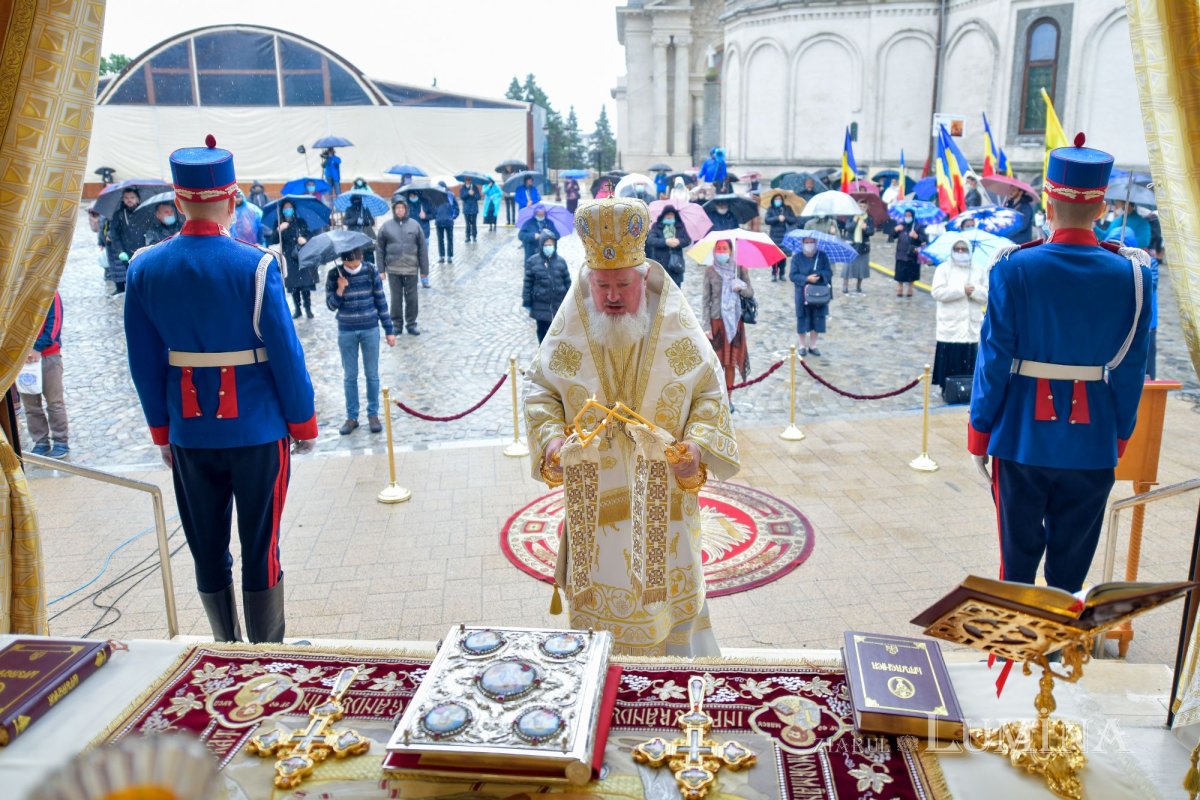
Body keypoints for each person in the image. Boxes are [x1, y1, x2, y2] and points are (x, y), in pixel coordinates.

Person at [524, 197, 740, 657]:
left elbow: (707, 392)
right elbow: (540, 388)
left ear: (643, 277)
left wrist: (697, 448)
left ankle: (678, 682)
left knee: (668, 614)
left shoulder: (675, 324)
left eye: (623, 283)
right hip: (593, 495)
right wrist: (552, 441)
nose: (613, 296)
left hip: (663, 495)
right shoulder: (573, 321)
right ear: (588, 282)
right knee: (598, 622)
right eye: (602, 286)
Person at [125, 135, 318, 643]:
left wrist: (162, 432)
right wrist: (303, 421)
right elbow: (286, 353)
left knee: (206, 546)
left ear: (178, 200)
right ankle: (267, 653)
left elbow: (143, 363)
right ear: (232, 200)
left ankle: (225, 648)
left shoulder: (144, 266)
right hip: (257, 429)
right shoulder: (255, 264)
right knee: (262, 546)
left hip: (190, 433)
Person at [969, 134, 1152, 594]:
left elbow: (993, 359)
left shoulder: (1013, 266)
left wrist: (979, 430)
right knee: (1071, 569)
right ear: (1102, 206)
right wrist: (1121, 433)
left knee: (1016, 563)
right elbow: (1131, 367)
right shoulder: (1133, 274)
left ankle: (1016, 653)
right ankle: (1058, 656)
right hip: (1092, 439)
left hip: (1021, 434)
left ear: (1048, 201)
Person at [326, 247, 396, 436]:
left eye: (355, 263)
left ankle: (373, 414)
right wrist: (340, 289)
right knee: (350, 376)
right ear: (343, 261)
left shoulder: (371, 270)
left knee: (372, 374)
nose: (352, 266)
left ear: (361, 257)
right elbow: (331, 305)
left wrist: (389, 330)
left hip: (369, 329)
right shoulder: (334, 274)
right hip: (346, 330)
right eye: (348, 263)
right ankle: (352, 417)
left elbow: (380, 301)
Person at [930, 238, 988, 389]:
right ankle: (947, 389)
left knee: (968, 364)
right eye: (958, 249)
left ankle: (966, 391)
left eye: (964, 249)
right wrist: (961, 291)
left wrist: (974, 290)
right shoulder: (943, 269)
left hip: (970, 326)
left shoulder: (978, 269)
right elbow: (937, 292)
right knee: (950, 362)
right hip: (950, 325)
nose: (961, 252)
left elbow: (988, 295)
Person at [703, 240, 754, 404]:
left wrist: (741, 287)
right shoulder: (710, 271)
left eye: (724, 248)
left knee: (730, 363)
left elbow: (750, 293)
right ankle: (716, 396)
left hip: (734, 322)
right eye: (718, 248)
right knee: (716, 363)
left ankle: (729, 399)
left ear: (731, 251)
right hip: (717, 321)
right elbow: (706, 300)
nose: (721, 251)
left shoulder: (739, 269)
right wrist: (706, 326)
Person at [20, 291, 69, 459]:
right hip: (22, 357)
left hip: (49, 355)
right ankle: (40, 441)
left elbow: (54, 323)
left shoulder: (50, 292)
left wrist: (37, 347)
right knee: (30, 404)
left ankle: (61, 441)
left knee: (54, 401)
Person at [377, 196, 429, 335]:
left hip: (411, 268)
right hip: (394, 269)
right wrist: (381, 270)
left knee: (412, 298)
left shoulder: (415, 225)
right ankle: (397, 324)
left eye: (402, 208)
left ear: (406, 209)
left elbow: (422, 249)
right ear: (394, 210)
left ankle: (411, 324)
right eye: (397, 208)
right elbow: (380, 249)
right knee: (396, 299)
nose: (400, 210)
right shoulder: (386, 227)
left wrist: (424, 270)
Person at [266, 199, 314, 319]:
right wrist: (279, 230)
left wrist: (304, 240)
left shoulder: (300, 222)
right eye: (285, 208)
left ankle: (308, 308)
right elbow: (272, 241)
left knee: (305, 284)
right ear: (282, 210)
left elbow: (309, 235)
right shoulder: (279, 223)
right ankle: (297, 309)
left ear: (293, 209)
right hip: (288, 257)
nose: (288, 210)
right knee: (293, 285)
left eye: (290, 207)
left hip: (301, 255)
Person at [523, 231, 571, 342]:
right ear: (541, 245)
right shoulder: (533, 262)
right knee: (542, 330)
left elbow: (567, 282)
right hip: (540, 303)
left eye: (550, 245)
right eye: (546, 245)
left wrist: (569, 300)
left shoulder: (561, 262)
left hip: (557, 304)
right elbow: (528, 283)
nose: (548, 247)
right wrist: (527, 301)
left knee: (557, 332)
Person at [790, 235, 833, 357]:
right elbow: (793, 275)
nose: (809, 244)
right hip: (802, 294)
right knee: (802, 318)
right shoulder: (797, 258)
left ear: (815, 242)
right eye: (806, 242)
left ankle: (813, 345)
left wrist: (819, 275)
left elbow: (829, 272)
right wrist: (806, 278)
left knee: (818, 318)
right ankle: (802, 345)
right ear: (802, 243)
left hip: (819, 293)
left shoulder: (822, 256)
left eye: (811, 242)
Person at [105, 187, 143, 294]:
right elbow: (114, 235)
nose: (129, 200)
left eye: (132, 197)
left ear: (138, 199)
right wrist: (120, 251)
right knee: (129, 276)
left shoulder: (145, 212)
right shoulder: (118, 215)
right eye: (126, 198)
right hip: (126, 250)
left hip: (142, 249)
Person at [645, 205, 692, 286]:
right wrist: (665, 242)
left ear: (675, 216)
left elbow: (687, 240)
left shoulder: (680, 226)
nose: (669, 217)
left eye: (671, 214)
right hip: (660, 263)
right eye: (667, 214)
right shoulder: (656, 226)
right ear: (663, 215)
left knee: (676, 292)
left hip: (676, 264)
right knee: (661, 290)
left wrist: (679, 242)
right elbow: (651, 240)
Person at [890, 210, 926, 297]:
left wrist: (916, 236)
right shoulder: (901, 225)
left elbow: (924, 239)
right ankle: (900, 287)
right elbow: (892, 236)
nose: (907, 218)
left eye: (909, 216)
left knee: (912, 272)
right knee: (900, 272)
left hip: (912, 253)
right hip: (901, 253)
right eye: (906, 216)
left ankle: (910, 288)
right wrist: (895, 229)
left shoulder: (918, 226)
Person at [842, 202, 874, 294]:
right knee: (848, 267)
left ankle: (858, 285)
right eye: (860, 206)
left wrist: (866, 228)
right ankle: (845, 285)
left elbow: (871, 232)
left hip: (863, 246)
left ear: (867, 207)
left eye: (864, 206)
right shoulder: (852, 216)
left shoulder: (869, 218)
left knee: (861, 267)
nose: (862, 208)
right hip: (851, 245)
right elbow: (848, 228)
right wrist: (855, 221)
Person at [763, 194, 797, 282]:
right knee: (774, 255)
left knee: (783, 255)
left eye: (779, 199)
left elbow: (793, 220)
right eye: (776, 199)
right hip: (774, 235)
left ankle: (782, 273)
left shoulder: (787, 209)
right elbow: (767, 220)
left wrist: (785, 218)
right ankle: (774, 273)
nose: (778, 200)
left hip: (785, 235)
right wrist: (777, 218)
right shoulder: (771, 209)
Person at [340, 192, 376, 262]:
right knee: (356, 257)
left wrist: (365, 221)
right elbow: (345, 221)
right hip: (353, 237)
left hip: (365, 236)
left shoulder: (365, 209)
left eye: (358, 200)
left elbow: (372, 221)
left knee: (369, 257)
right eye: (355, 200)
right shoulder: (349, 209)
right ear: (352, 201)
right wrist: (355, 220)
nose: (357, 202)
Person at [434, 180, 459, 264]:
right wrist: (436, 216)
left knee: (449, 239)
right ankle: (443, 256)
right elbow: (432, 208)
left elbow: (456, 207)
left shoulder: (450, 195)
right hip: (440, 221)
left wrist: (453, 216)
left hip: (447, 221)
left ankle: (448, 256)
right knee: (442, 239)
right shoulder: (435, 196)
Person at [459, 176, 481, 243]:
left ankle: (474, 236)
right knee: (467, 224)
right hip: (466, 208)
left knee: (474, 223)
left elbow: (479, 197)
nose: (468, 181)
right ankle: (468, 237)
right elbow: (462, 197)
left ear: (471, 180)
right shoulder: (462, 188)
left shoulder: (475, 187)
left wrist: (473, 194)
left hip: (474, 208)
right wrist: (468, 193)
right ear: (465, 180)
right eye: (466, 180)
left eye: (469, 180)